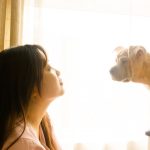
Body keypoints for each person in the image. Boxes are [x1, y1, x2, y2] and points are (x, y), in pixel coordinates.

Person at [0, 44, 64, 150]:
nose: (58, 72)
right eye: (48, 68)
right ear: (31, 87)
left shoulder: (43, 125)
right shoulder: (24, 144)